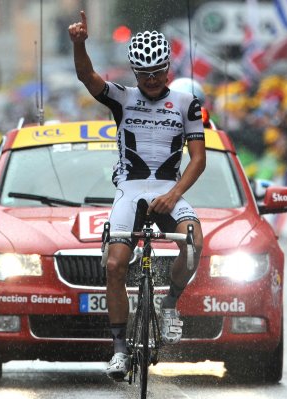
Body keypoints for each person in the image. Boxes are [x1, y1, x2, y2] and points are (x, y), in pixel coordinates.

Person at [68, 11, 205, 381]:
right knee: (114, 265)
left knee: (194, 242)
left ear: (168, 68)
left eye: (158, 72)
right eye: (144, 75)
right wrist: (79, 43)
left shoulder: (186, 103)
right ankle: (118, 350)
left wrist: (175, 195)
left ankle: (170, 305)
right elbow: (86, 76)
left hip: (168, 191)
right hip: (130, 190)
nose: (152, 80)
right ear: (134, 72)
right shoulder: (123, 98)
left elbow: (198, 160)